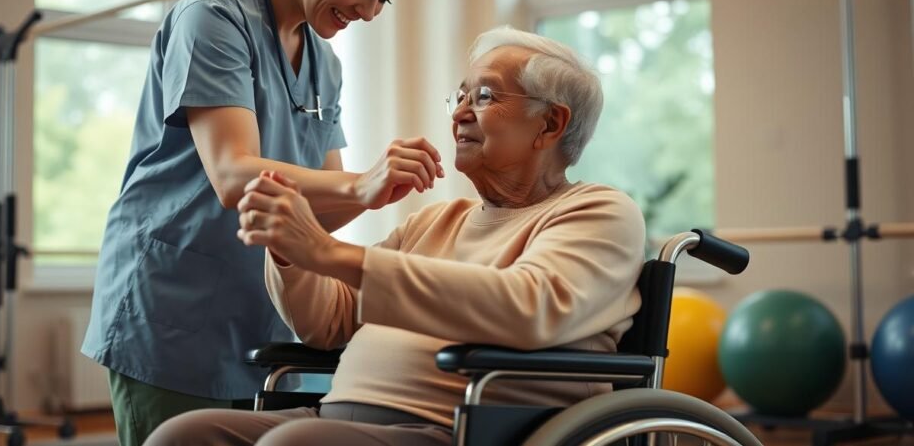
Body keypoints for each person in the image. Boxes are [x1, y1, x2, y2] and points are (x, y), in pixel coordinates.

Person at [144, 27, 647, 446]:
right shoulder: (437, 220)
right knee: (184, 436)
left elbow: (528, 306)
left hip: (463, 429)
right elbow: (332, 321)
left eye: (486, 96)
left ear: (551, 123)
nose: (459, 113)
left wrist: (326, 249)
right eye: (461, 95)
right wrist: (291, 247)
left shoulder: (597, 212)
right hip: (337, 421)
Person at [81, 0, 438, 445]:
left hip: (261, 317)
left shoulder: (325, 64)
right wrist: (360, 185)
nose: (369, 12)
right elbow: (231, 176)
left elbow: (318, 210)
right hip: (175, 311)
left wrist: (382, 189)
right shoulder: (215, 18)